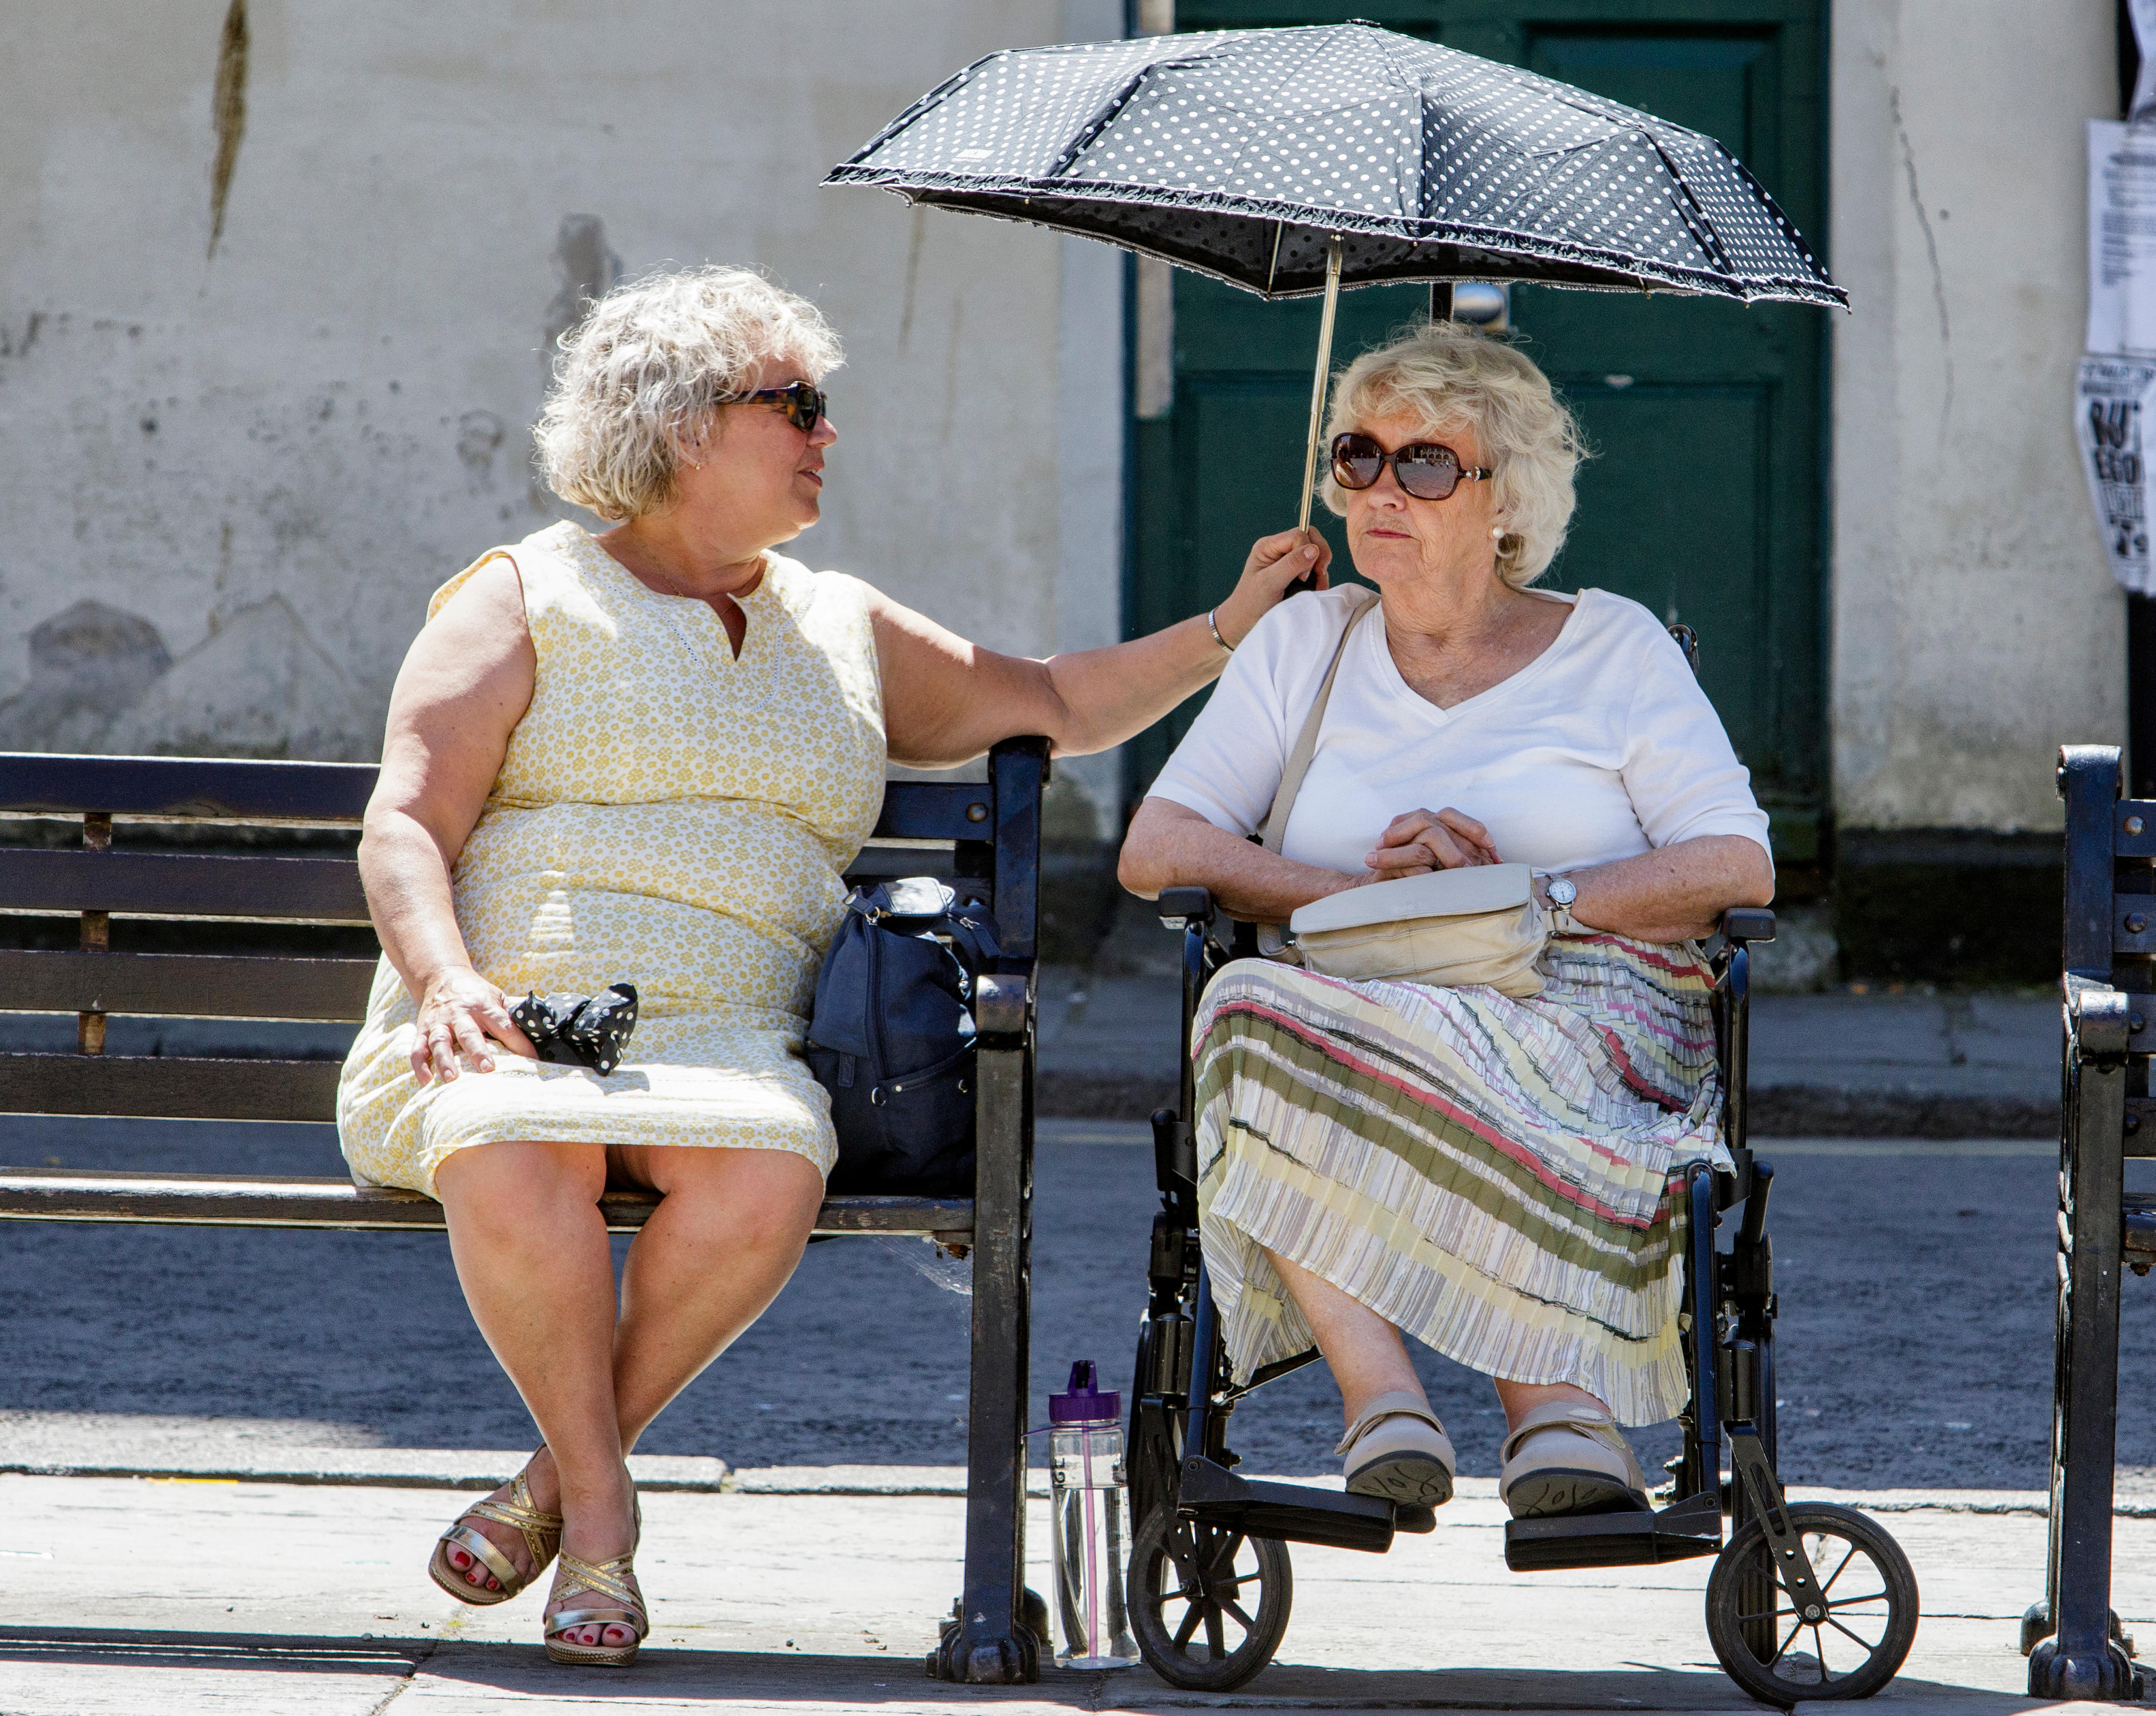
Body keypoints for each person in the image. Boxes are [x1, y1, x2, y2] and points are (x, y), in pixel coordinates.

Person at [336, 266, 1313, 1666]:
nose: (827, 432)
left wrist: (1232, 625)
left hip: (731, 1034)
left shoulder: (841, 623)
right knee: (515, 1142)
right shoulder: (523, 598)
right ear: (682, 424)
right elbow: (406, 821)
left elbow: (1055, 699)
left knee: (769, 1171)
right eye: (795, 403)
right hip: (512, 1019)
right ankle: (601, 1515)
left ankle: (550, 1482)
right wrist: (444, 982)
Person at [1117, 320, 1774, 1523]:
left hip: (1578, 995)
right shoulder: (1305, 639)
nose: (1382, 489)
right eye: (1359, 456)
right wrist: (1365, 899)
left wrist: (1520, 897)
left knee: (1444, 1036)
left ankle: (1554, 1405)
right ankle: (1385, 1404)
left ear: (1504, 497)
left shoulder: (1613, 646)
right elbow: (1157, 847)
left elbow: (1737, 863)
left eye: (1425, 463)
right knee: (1246, 1005)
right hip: (1354, 995)